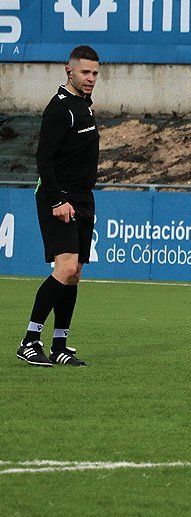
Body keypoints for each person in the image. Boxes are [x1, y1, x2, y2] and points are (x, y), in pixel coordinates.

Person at [16, 45, 101, 367]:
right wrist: (57, 199)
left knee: (74, 273)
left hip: (82, 197)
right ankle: (29, 340)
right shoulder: (60, 108)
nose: (91, 78)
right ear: (69, 71)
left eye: (94, 73)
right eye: (85, 72)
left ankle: (60, 345)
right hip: (60, 196)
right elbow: (43, 158)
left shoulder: (85, 107)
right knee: (64, 267)